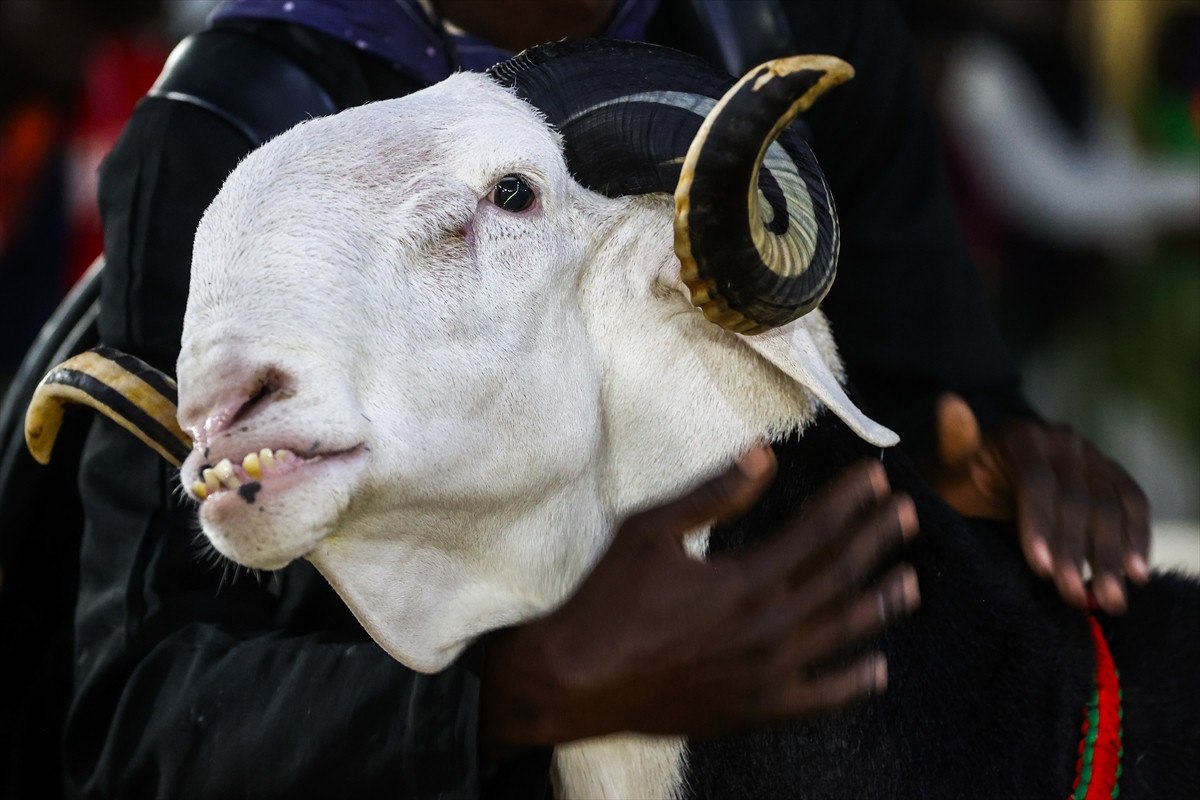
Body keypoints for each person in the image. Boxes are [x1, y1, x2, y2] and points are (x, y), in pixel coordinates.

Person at [64, 1, 1150, 797]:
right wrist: (521, 690)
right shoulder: (227, 121)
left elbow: (926, 411)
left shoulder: (793, 31)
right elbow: (136, 717)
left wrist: (1008, 447)